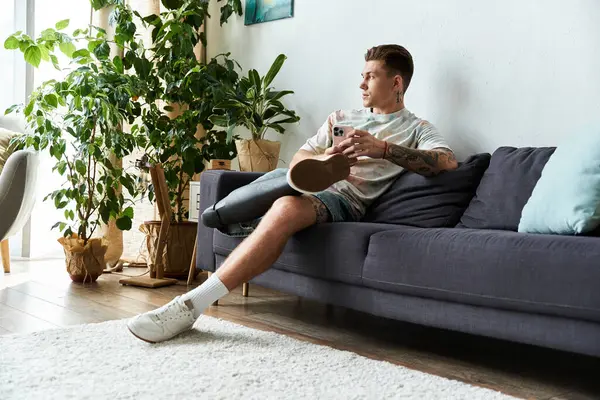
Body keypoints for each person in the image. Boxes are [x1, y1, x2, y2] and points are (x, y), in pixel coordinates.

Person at [127, 44, 458, 343]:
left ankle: (190, 305)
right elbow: (300, 158)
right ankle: (243, 215)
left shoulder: (416, 129)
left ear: (396, 83)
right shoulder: (341, 119)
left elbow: (446, 162)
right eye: (362, 76)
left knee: (286, 206)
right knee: (283, 185)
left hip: (346, 199)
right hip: (301, 182)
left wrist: (383, 149)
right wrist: (327, 159)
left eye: (371, 77)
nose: (361, 84)